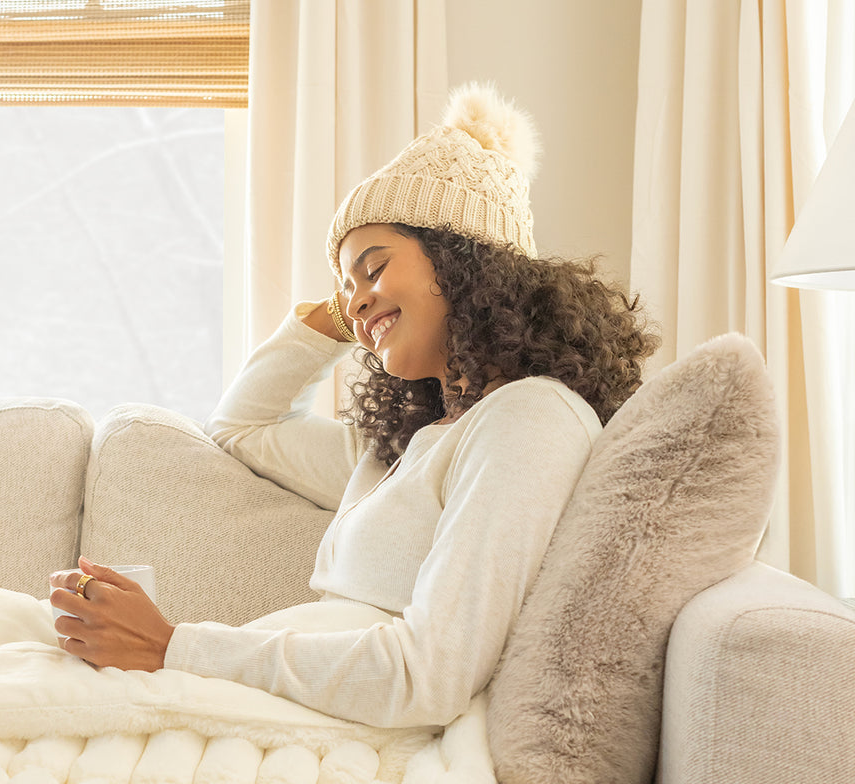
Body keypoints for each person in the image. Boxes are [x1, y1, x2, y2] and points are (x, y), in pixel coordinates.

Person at [50, 82, 657, 729]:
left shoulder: (530, 419)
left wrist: (174, 647)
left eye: (373, 269)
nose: (356, 301)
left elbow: (429, 677)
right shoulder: (403, 448)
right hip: (271, 707)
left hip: (337, 737)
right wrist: (342, 314)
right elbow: (242, 426)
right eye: (345, 288)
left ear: (467, 263)